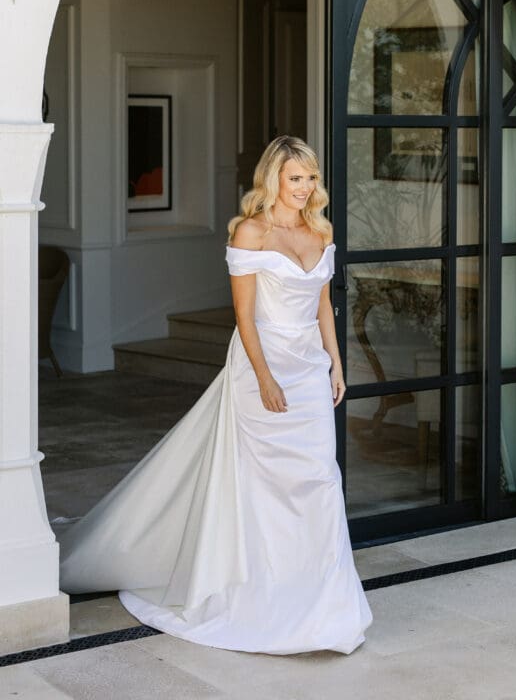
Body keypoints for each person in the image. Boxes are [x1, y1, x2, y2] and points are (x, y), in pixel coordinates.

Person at [59, 135, 373, 655]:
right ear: (273, 179)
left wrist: (336, 363)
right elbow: (244, 318)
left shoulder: (320, 231)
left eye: (310, 178)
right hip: (261, 369)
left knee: (319, 479)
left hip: (311, 370)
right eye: (295, 178)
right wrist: (266, 377)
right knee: (263, 487)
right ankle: (260, 598)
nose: (305, 187)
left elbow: (323, 307)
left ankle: (325, 608)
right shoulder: (250, 233)